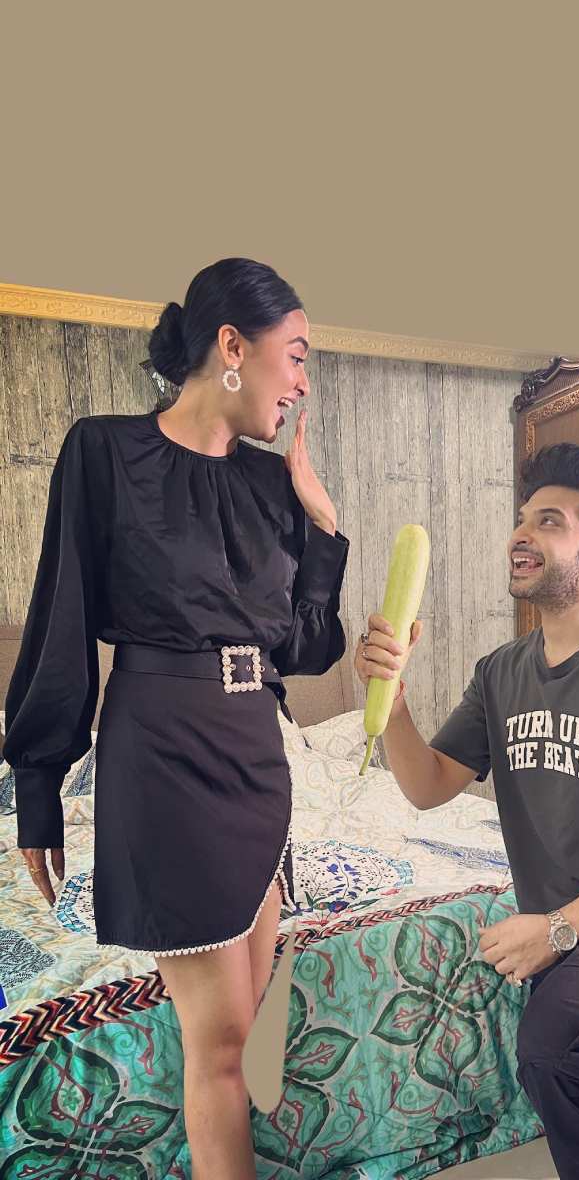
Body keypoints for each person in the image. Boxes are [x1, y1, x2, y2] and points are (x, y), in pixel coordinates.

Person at [4, 257, 349, 1180]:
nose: (304, 382)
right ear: (232, 346)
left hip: (256, 755)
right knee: (224, 1040)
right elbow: (62, 621)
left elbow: (306, 649)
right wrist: (37, 787)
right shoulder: (104, 452)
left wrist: (322, 528)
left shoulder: (273, 486)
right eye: (297, 355)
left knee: (248, 1015)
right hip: (161, 755)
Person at [354, 442, 579, 1180]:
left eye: (549, 522)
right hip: (577, 912)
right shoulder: (501, 672)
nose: (520, 535)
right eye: (522, 519)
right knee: (572, 1071)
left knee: (561, 1045)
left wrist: (558, 928)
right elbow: (428, 785)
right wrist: (392, 695)